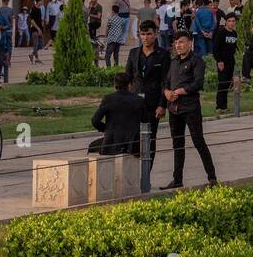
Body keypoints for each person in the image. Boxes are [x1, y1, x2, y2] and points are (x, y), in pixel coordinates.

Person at [160, 31, 218, 189]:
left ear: (190, 43)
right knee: (177, 144)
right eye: (176, 42)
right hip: (174, 109)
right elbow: (165, 82)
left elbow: (198, 83)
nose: (178, 45)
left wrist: (180, 91)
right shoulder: (173, 62)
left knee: (199, 141)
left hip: (190, 108)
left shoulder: (197, 61)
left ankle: (212, 178)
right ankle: (177, 179)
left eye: (182, 42)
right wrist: (166, 92)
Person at [125, 19, 171, 152]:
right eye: (142, 34)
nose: (145, 37)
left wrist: (162, 105)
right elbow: (128, 77)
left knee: (150, 137)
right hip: (134, 101)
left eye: (149, 34)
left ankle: (147, 171)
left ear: (155, 34)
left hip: (153, 102)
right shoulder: (133, 53)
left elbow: (165, 81)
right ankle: (134, 170)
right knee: (132, 136)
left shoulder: (163, 54)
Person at [89, 75, 150, 156]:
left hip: (111, 143)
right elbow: (146, 120)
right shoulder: (139, 100)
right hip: (133, 145)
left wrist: (106, 129)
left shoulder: (108, 99)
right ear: (129, 85)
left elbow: (95, 120)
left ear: (114, 85)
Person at [212, 12, 240, 114]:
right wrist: (219, 61)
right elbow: (215, 49)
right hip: (222, 62)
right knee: (222, 83)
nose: (231, 23)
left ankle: (224, 106)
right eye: (229, 21)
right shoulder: (221, 33)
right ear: (226, 22)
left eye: (233, 21)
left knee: (227, 84)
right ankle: (219, 106)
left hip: (230, 62)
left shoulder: (234, 33)